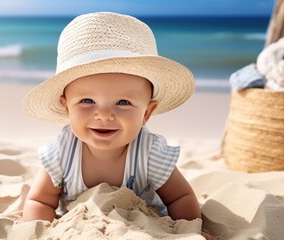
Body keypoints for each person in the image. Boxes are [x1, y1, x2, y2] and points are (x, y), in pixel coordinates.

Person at [22, 11, 213, 239]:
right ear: (66, 107)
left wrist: (190, 230)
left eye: (123, 102)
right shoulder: (63, 152)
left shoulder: (149, 151)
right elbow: (40, 200)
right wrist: (40, 230)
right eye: (87, 101)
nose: (104, 115)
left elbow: (180, 197)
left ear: (147, 112)